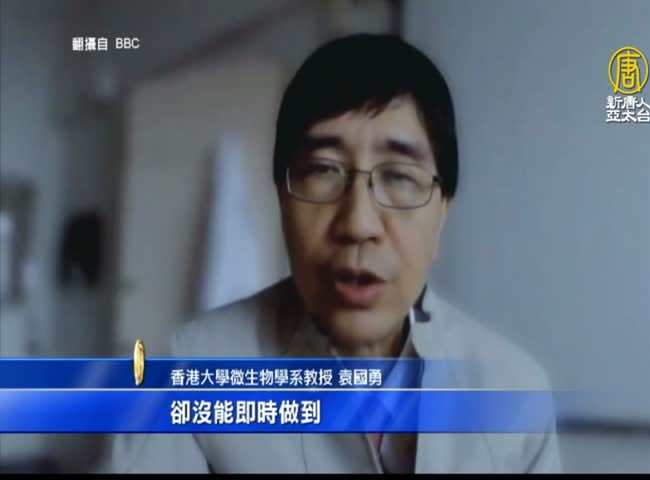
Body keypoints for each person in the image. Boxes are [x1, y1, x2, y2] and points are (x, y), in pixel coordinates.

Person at [107, 33, 562, 474]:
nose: (358, 223)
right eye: (324, 170)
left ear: (442, 212)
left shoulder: (514, 394)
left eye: (399, 176)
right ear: (282, 199)